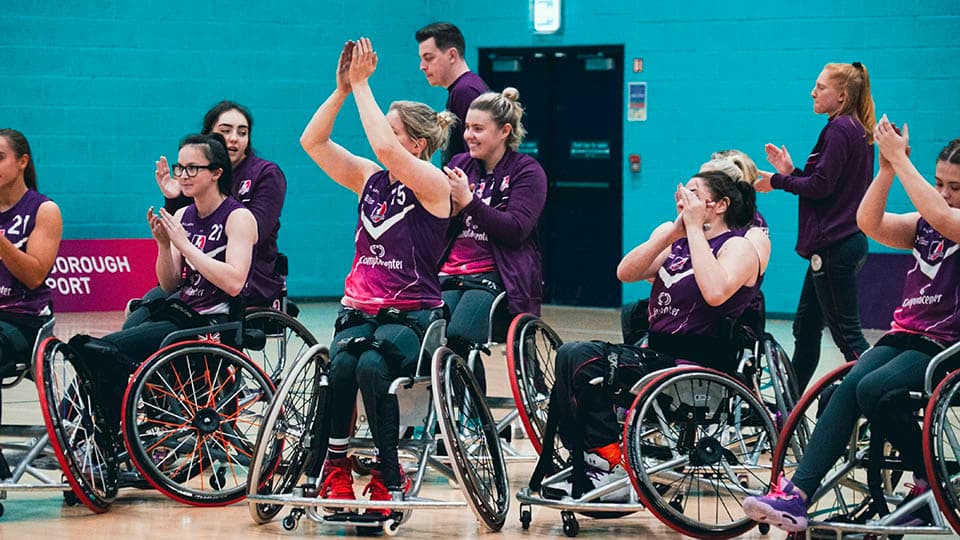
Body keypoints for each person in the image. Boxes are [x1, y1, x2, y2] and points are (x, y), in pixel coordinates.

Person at [743, 123, 960, 533]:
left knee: (873, 389)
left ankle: (931, 476)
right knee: (848, 386)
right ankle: (797, 495)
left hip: (949, 346)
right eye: (939, 183)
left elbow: (944, 216)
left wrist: (900, 158)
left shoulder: (946, 219)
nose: (945, 193)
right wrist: (886, 171)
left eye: (956, 186)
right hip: (908, 336)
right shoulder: (927, 222)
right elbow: (869, 222)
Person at [299, 38, 453, 514]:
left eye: (391, 131)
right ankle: (337, 468)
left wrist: (365, 83)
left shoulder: (433, 183)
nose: (379, 138)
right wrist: (344, 89)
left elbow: (384, 147)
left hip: (410, 316)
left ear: (418, 145)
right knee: (341, 367)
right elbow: (314, 142)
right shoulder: (370, 179)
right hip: (359, 311)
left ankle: (390, 475)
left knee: (370, 366)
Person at [539, 169, 760, 500]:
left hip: (699, 366)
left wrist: (695, 232)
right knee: (570, 354)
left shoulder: (738, 246)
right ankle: (592, 458)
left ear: (719, 205)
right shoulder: (678, 243)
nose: (683, 196)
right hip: (658, 357)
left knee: (585, 359)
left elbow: (715, 293)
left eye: (694, 193)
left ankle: (606, 465)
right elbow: (625, 272)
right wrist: (673, 232)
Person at [75, 133, 258, 432]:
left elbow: (235, 282)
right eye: (180, 167)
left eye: (192, 168)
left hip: (212, 324)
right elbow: (170, 283)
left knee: (109, 350)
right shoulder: (184, 214)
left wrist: (186, 247)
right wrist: (163, 244)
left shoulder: (238, 217)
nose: (183, 176)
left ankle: (115, 434)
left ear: (216, 173)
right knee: (95, 348)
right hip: (182, 312)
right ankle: (97, 428)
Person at [755, 62, 875, 392]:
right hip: (836, 245)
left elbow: (820, 187)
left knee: (847, 336)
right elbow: (826, 185)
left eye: (820, 87)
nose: (813, 91)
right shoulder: (850, 129)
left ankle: (881, 396)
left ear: (842, 95)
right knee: (806, 329)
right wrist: (790, 170)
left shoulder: (840, 129)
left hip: (837, 247)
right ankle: (788, 408)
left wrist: (779, 181)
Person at [125, 101, 286, 328]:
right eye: (225, 130)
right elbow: (186, 230)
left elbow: (254, 232)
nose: (233, 138)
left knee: (163, 322)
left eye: (242, 132)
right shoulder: (198, 176)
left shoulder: (265, 174)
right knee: (140, 315)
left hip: (245, 276)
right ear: (207, 137)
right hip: (197, 276)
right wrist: (175, 197)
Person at [440, 88, 547, 389]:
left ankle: (473, 419)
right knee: (429, 331)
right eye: (467, 128)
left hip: (497, 276)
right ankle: (441, 414)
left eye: (478, 129)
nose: (469, 136)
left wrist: (470, 201)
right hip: (451, 272)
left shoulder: (527, 171)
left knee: (459, 334)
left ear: (504, 131)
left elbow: (515, 230)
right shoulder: (460, 164)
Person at [0, 129, 62, 463]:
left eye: (0, 157)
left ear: (22, 161)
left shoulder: (43, 210)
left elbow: (34, 274)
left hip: (23, 323)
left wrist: (2, 243)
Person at [416, 22, 489, 164]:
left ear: (452, 55)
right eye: (421, 59)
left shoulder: (465, 92)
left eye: (429, 58)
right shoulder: (464, 88)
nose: (422, 66)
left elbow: (477, 157)